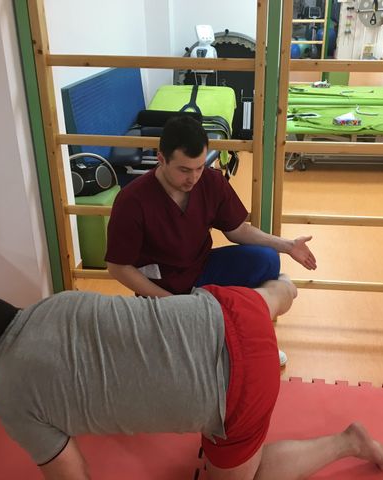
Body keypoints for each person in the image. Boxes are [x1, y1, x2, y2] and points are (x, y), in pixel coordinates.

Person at [0, 278, 383, 480]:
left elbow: (71, 474)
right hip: (226, 307)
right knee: (266, 299)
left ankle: (346, 443)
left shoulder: (9, 397)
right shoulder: (54, 302)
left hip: (241, 386)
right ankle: (284, 288)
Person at [105, 115, 317, 366]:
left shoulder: (210, 181)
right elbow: (118, 267)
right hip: (163, 287)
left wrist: (288, 246)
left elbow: (237, 230)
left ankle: (252, 337)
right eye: (184, 170)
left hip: (201, 270)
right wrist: (171, 302)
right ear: (161, 159)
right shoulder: (132, 200)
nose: (193, 178)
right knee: (177, 361)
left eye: (199, 167)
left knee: (267, 258)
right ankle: (219, 330)